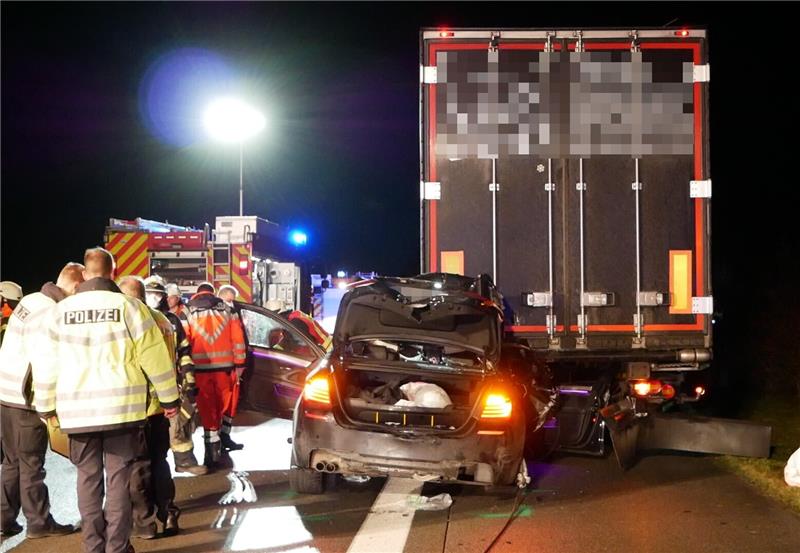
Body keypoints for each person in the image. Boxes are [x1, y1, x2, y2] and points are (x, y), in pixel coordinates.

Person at [33, 248, 180, 553]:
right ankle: (117, 547)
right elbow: (155, 358)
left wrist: (45, 406)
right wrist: (170, 400)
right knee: (118, 481)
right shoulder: (130, 308)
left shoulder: (59, 313)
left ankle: (92, 546)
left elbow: (46, 363)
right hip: (122, 412)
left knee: (87, 479)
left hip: (78, 413)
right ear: (113, 273)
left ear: (85, 274)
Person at [0, 265, 83, 539]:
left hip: (6, 394)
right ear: (73, 287)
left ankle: (4, 519)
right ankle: (39, 523)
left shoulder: (31, 299)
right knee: (32, 463)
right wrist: (48, 406)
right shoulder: (51, 312)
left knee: (12, 461)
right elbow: (44, 360)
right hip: (26, 400)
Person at [119, 277, 182, 539]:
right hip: (161, 406)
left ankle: (144, 523)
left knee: (138, 467)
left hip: (136, 406)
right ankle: (167, 513)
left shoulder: (131, 321)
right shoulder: (164, 321)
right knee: (160, 463)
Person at [143, 279, 207, 476]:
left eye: (158, 294)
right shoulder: (138, 317)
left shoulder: (171, 320)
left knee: (180, 423)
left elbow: (184, 351)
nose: (154, 298)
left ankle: (185, 461)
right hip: (144, 387)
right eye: (150, 293)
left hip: (172, 383)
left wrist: (189, 381)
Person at [184, 282, 246, 468]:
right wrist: (240, 364)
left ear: (197, 294)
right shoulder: (227, 309)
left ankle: (211, 454)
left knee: (207, 412)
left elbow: (184, 341)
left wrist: (184, 370)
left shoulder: (187, 310)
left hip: (200, 371)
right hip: (225, 370)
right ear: (213, 293)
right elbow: (238, 339)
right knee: (222, 408)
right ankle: (216, 450)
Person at [215, 285, 243, 451]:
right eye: (228, 300)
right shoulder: (221, 316)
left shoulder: (233, 314)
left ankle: (224, 436)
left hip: (230, 367)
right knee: (221, 405)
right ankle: (218, 439)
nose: (231, 303)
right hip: (223, 368)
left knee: (230, 406)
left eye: (232, 300)